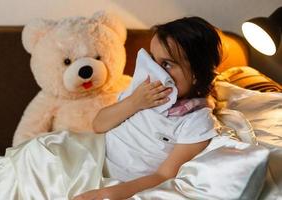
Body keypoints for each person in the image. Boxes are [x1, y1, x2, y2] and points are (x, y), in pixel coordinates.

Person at [73, 16, 222, 200]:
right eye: (153, 60)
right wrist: (134, 102)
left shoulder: (196, 121)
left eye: (167, 64)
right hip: (92, 160)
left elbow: (164, 176)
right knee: (36, 154)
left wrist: (105, 194)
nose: (155, 71)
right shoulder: (144, 89)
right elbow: (98, 125)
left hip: (121, 185)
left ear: (197, 75)